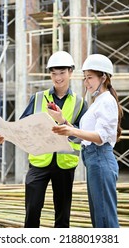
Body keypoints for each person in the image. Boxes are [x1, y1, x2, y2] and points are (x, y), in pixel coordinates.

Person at [0, 50, 87, 228]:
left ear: (71, 72)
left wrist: (65, 126)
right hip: (39, 162)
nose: (58, 77)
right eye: (53, 73)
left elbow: (82, 136)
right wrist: (4, 135)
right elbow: (22, 127)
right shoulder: (37, 98)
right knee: (33, 209)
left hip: (65, 164)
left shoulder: (80, 103)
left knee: (62, 213)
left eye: (62, 72)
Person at [52, 54, 123, 228]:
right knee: (99, 217)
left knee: (104, 220)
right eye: (85, 78)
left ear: (103, 77)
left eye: (90, 78)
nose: (86, 83)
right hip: (94, 161)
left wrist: (71, 129)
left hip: (100, 159)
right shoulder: (98, 101)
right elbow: (83, 136)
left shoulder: (106, 101)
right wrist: (63, 121)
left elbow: (99, 137)